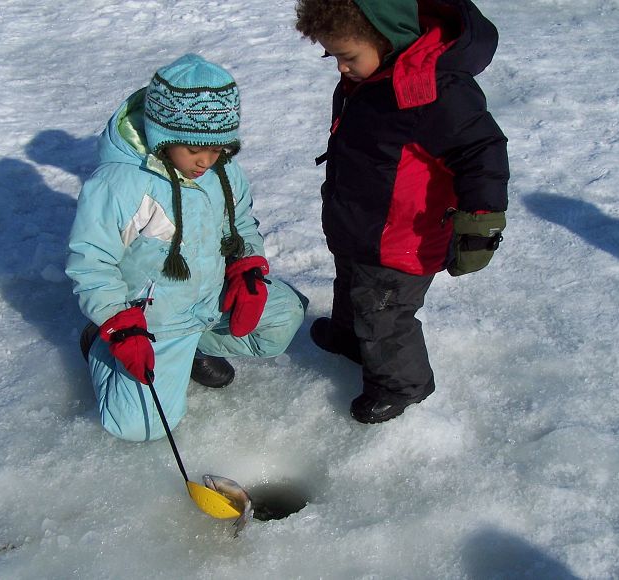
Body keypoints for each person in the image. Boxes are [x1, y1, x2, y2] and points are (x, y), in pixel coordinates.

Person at [66, 54, 306, 441]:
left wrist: (247, 268)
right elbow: (91, 262)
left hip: (212, 299)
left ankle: (193, 348)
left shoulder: (222, 169)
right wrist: (118, 322)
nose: (206, 160)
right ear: (164, 134)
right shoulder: (121, 185)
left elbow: (241, 221)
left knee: (283, 319)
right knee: (142, 426)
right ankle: (100, 344)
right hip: (156, 320)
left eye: (217, 148)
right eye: (195, 148)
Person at [295, 0, 509, 423]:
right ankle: (349, 339)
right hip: (359, 223)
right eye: (333, 56)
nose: (340, 68)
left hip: (402, 238)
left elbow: (481, 152)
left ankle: (402, 384)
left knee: (385, 313)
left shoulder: (435, 89)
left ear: (385, 38)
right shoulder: (368, 78)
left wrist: (480, 223)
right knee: (351, 286)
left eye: (348, 56)